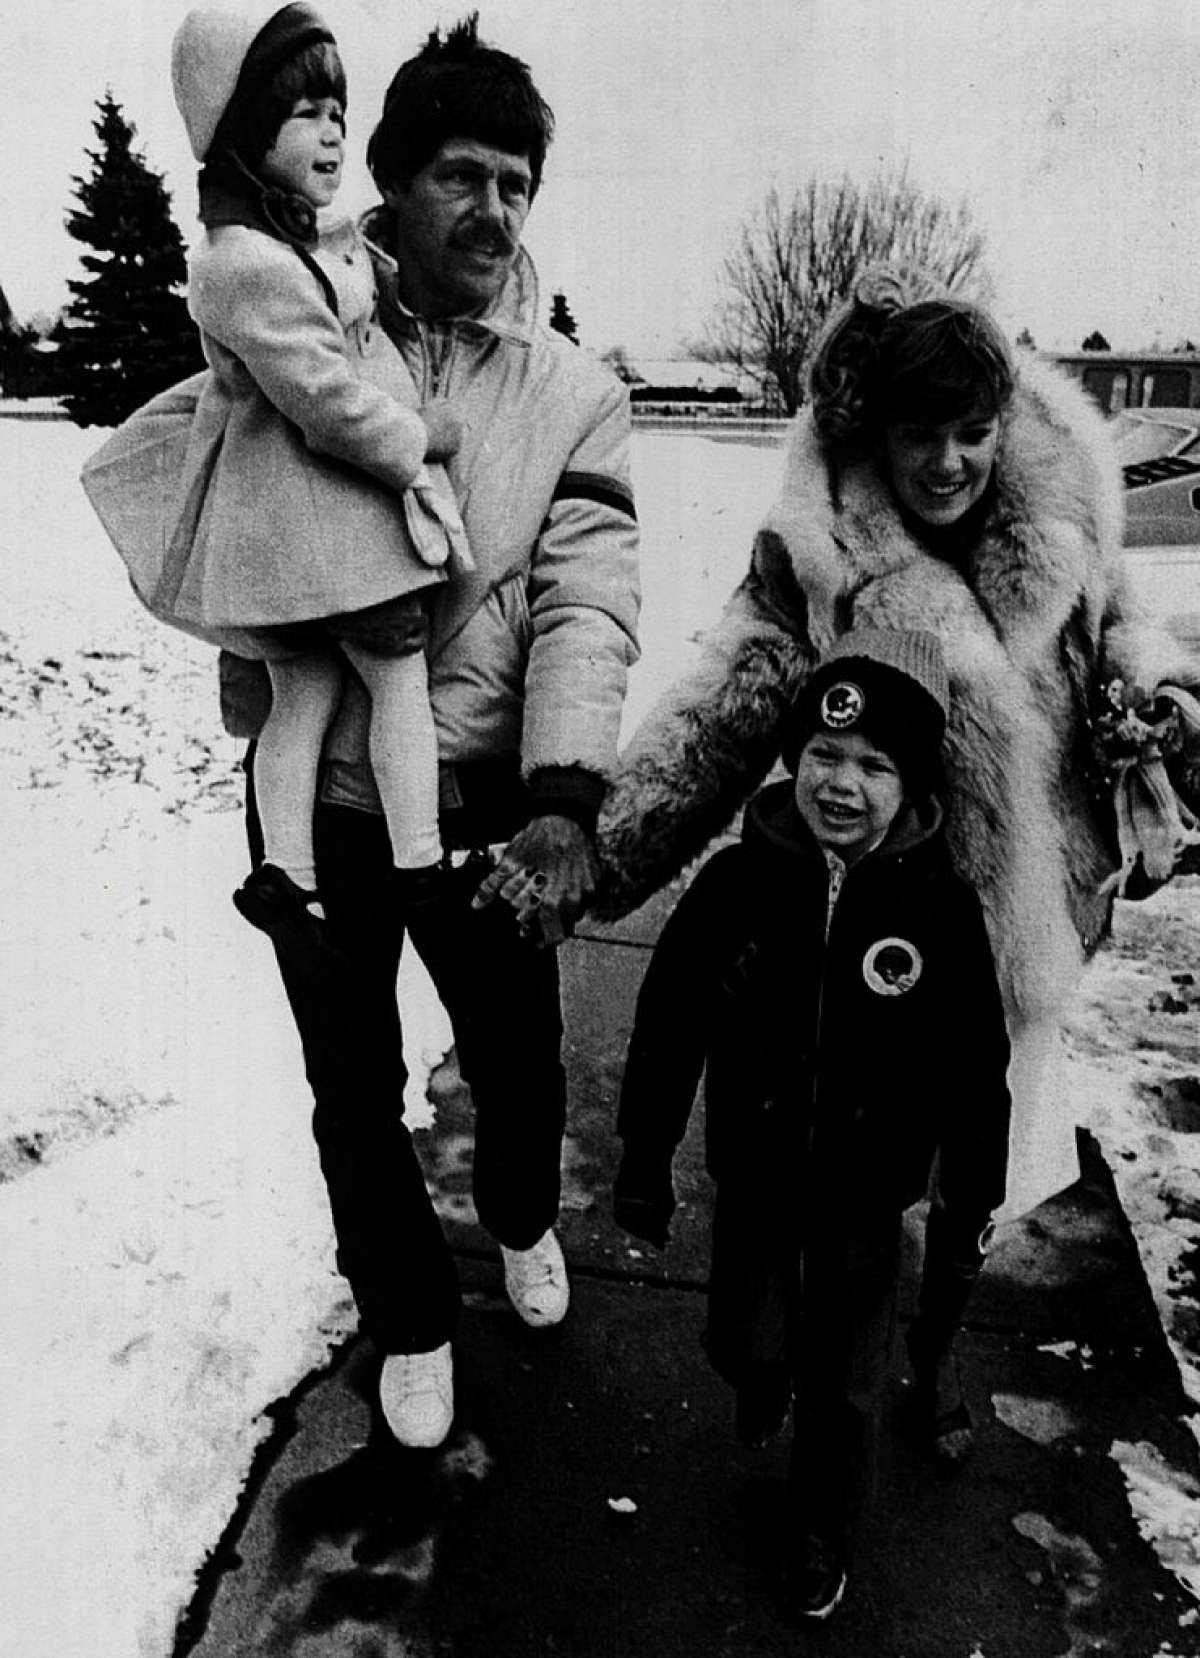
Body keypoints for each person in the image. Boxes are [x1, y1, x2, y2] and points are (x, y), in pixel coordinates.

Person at [207, 14, 640, 1449]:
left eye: (518, 181)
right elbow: (230, 500)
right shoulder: (309, 322)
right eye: (462, 173)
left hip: (485, 800)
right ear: (387, 178)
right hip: (327, 785)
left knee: (517, 1061)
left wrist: (566, 793)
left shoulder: (578, 396)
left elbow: (588, 604)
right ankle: (405, 1313)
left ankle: (518, 1216)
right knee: (352, 1088)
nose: (495, 209)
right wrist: (257, 655)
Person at [597, 266, 1200, 1224]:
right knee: (860, 1203)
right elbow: (722, 710)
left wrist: (1163, 697)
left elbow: (1124, 622)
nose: (949, 462)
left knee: (984, 1192)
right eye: (920, 434)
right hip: (884, 942)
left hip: (1044, 919)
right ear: (878, 430)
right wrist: (597, 858)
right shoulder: (820, 554)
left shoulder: (1066, 518)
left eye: (973, 435)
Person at [613, 628, 1011, 1621]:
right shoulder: (735, 887)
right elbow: (669, 1020)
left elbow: (976, 1067)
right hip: (755, 1176)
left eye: (875, 765)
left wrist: (973, 1193)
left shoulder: (940, 911)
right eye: (825, 757)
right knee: (749, 1338)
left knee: (846, 1381)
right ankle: (759, 1375)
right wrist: (646, 1153)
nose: (843, 783)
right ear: (794, 760)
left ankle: (823, 1523)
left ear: (912, 785)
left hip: (866, 1204)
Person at [159, 4, 476, 942]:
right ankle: (420, 858)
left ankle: (285, 872)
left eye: (339, 107)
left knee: (303, 694)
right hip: (322, 523)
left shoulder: (279, 241)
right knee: (397, 674)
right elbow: (327, 401)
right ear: (241, 135)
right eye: (304, 112)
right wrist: (419, 437)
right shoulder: (244, 262)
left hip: (295, 533)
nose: (333, 128)